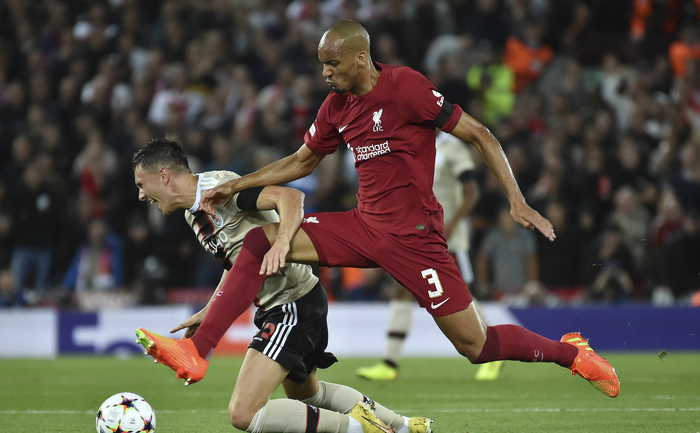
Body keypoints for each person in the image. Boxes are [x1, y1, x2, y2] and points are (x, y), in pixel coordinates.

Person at [143, 20, 619, 399]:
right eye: (321, 64)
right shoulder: (336, 106)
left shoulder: (406, 87)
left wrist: (517, 199)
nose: (325, 73)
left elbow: (480, 134)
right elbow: (303, 161)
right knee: (257, 240)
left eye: (332, 63)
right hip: (363, 225)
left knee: (477, 346)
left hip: (415, 239)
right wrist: (238, 185)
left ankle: (571, 354)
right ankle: (197, 351)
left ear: (360, 58)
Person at [133, 138, 430, 433]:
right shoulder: (192, 213)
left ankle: (359, 427)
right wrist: (210, 308)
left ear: (164, 175)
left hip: (291, 304)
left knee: (243, 413)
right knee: (309, 394)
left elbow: (290, 197)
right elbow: (236, 261)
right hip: (290, 302)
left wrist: (283, 241)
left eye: (142, 184)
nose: (141, 195)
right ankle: (403, 425)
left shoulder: (222, 189)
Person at [355, 131, 504, 381]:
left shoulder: (453, 149)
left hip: (449, 234)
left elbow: (472, 193)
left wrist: (453, 224)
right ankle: (389, 362)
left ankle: (494, 354)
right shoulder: (412, 143)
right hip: (418, 231)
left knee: (462, 292)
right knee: (403, 288)